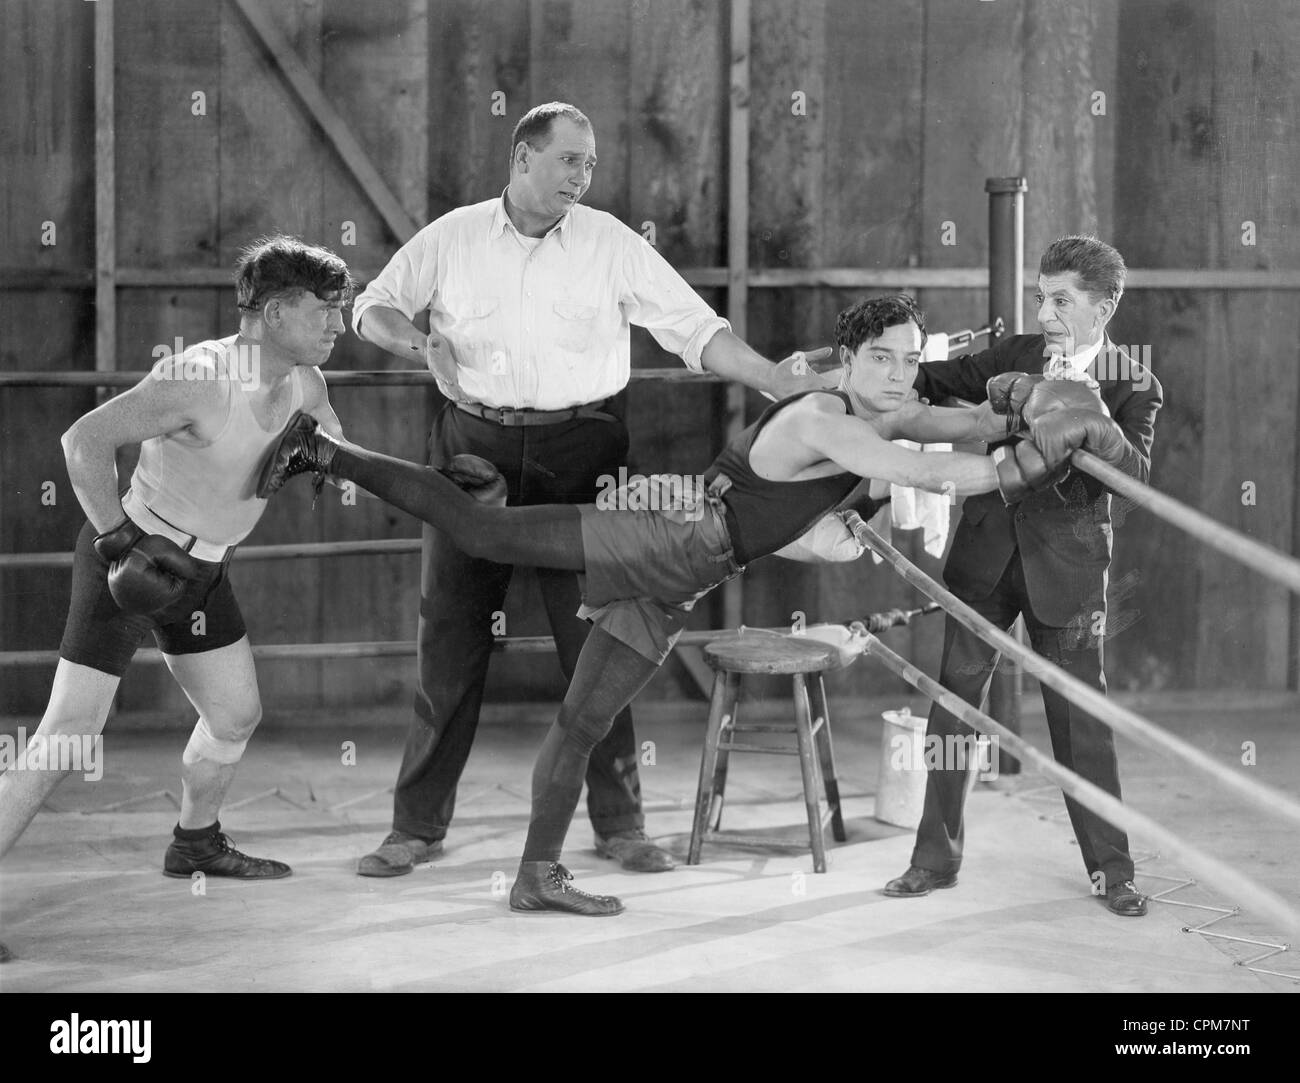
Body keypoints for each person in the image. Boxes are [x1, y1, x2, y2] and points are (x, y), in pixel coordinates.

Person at [259, 293, 1125, 915]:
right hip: (669, 530)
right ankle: (327, 451)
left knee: (582, 722)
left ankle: (535, 874)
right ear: (849, 362)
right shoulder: (825, 416)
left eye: (909, 359)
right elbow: (933, 471)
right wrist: (1034, 458)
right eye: (881, 359)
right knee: (485, 534)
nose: (900, 376)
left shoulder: (885, 410)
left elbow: (950, 431)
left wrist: (1015, 410)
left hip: (686, 575)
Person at [349, 101, 833, 878]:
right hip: (473, 447)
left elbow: (693, 327)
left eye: (591, 163)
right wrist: (420, 341)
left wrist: (774, 376)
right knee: (450, 637)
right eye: (570, 160)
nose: (584, 176)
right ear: (522, 159)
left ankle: (620, 824)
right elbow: (369, 307)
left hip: (584, 449)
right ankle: (415, 826)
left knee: (602, 640)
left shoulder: (610, 242)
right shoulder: (454, 236)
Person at [0, 235, 352, 963]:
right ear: (277, 311)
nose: (337, 326)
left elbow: (343, 460)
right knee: (67, 735)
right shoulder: (198, 378)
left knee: (234, 714)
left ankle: (196, 842)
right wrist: (117, 538)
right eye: (325, 311)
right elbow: (84, 440)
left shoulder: (306, 386)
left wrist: (438, 485)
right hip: (133, 560)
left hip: (205, 572)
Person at [883, 235, 1163, 917]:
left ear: (1105, 305)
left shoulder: (1136, 382)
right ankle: (933, 860)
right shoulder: (1014, 356)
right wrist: (867, 372)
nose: (1045, 313)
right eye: (1041, 296)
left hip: (1066, 574)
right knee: (953, 709)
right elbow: (935, 379)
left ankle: (1113, 871)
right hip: (984, 557)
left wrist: (1097, 425)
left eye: (1061, 300)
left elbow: (1134, 484)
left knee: (1080, 726)